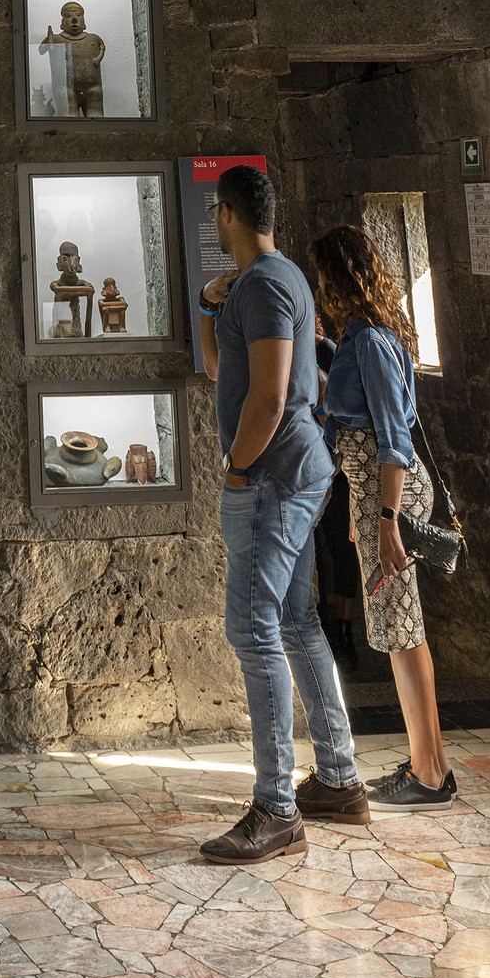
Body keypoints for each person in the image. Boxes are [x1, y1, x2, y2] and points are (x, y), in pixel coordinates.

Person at [197, 165, 368, 861]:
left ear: (226, 214)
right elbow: (217, 370)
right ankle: (338, 776)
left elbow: (268, 398)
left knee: (253, 626)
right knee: (295, 622)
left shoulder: (265, 284)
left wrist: (239, 467)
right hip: (289, 473)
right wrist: (209, 304)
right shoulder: (272, 278)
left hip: (272, 477)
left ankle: (275, 806)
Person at [311, 224, 456, 806]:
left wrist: (387, 518)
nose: (319, 285)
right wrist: (363, 509)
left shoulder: (369, 341)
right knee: (402, 630)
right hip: (373, 492)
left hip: (388, 490)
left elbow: (393, 440)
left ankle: (429, 776)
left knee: (403, 632)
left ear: (338, 278)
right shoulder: (363, 336)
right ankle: (430, 766)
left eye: (322, 276)